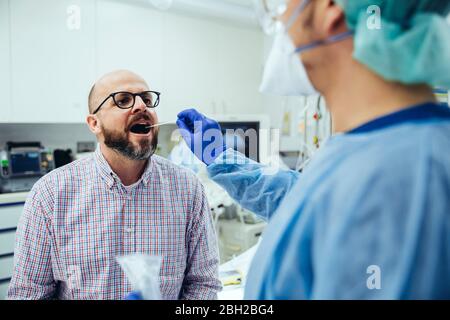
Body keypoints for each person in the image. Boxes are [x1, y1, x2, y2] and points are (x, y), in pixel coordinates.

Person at [176, 0, 450, 299]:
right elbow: (305, 198)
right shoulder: (381, 147)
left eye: (281, 6)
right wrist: (220, 158)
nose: (279, 19)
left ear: (329, 10)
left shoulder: (396, 176)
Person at [7, 70, 221, 300]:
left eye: (147, 99)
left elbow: (203, 285)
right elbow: (28, 295)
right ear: (94, 123)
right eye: (123, 100)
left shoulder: (188, 188)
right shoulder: (50, 194)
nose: (141, 106)